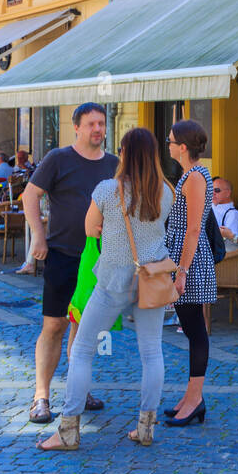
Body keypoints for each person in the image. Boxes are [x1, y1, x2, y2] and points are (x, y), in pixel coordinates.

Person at [38, 127, 173, 450]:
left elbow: (90, 230)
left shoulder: (107, 190)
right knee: (152, 352)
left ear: (124, 154)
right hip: (150, 279)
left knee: (83, 349)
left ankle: (69, 430)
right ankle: (145, 427)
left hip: (113, 280)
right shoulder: (165, 191)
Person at [22, 104, 119, 424]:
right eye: (91, 123)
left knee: (85, 327)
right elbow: (30, 195)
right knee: (54, 325)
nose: (97, 129)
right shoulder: (58, 159)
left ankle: (78, 390)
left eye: (101, 123)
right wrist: (38, 235)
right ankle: (41, 397)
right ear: (76, 128)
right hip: (63, 254)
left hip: (99, 259)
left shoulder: (114, 164)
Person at [162, 119, 216, 426]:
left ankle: (195, 399)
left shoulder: (195, 176)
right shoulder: (190, 175)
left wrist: (181, 271)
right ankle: (190, 396)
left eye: (170, 140)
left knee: (195, 330)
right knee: (191, 327)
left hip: (190, 261)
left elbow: (194, 228)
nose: (167, 144)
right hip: (185, 257)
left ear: (182, 147)